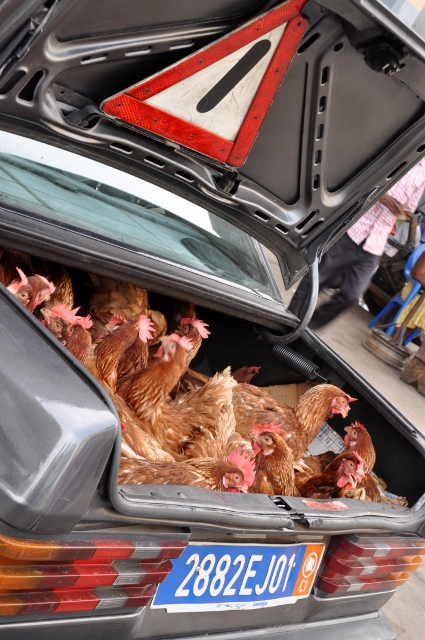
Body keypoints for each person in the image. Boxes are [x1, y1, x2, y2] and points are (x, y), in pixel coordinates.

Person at [288, 158, 425, 330]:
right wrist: (382, 196)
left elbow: (408, 209)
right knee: (315, 281)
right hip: (353, 229)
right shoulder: (402, 152)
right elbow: (363, 178)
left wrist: (403, 212)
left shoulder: (423, 172)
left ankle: (308, 327)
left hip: (375, 244)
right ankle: (288, 324)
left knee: (352, 295)